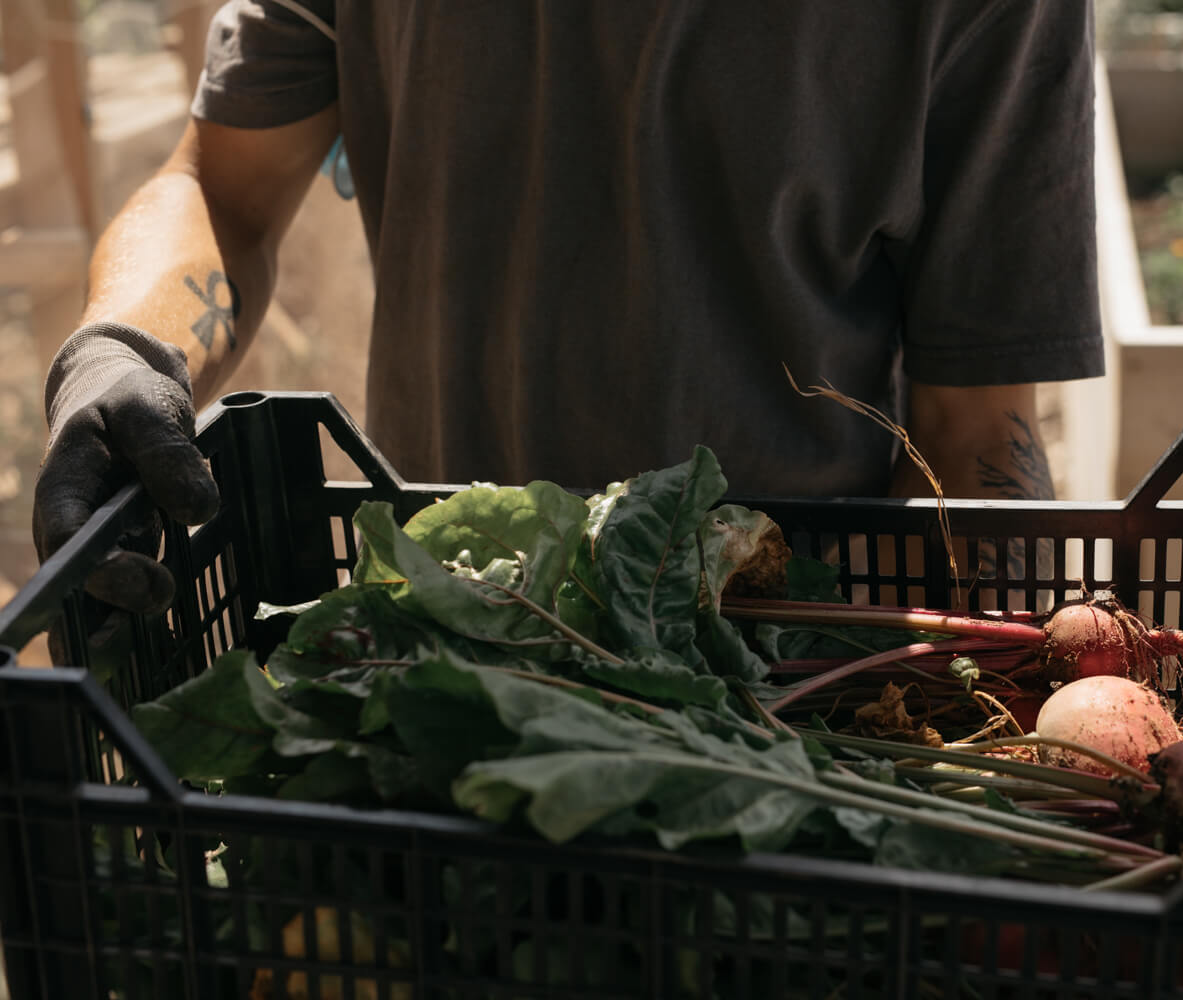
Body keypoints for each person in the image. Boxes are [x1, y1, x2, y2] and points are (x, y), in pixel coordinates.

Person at [33, 1, 1103, 618]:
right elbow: (226, 186)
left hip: (787, 698)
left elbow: (976, 433)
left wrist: (994, 732)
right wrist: (124, 352)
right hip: (453, 644)